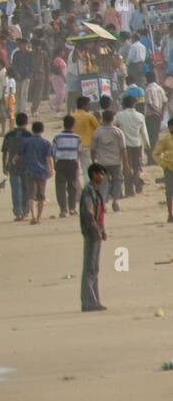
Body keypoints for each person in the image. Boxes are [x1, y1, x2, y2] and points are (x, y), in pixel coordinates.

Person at [79, 163, 109, 312]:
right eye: (100, 174)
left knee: (94, 268)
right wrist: (96, 229)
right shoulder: (88, 192)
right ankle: (89, 302)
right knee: (90, 268)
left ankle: (94, 300)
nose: (102, 177)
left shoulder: (95, 191)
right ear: (93, 175)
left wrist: (102, 230)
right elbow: (88, 213)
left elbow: (99, 214)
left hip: (96, 233)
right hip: (91, 234)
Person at [113, 94, 150, 199]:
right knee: (137, 166)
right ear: (134, 104)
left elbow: (113, 126)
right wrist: (147, 144)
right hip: (137, 145)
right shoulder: (140, 116)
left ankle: (129, 190)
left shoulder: (119, 116)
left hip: (124, 146)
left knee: (126, 167)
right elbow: (144, 132)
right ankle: (137, 182)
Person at [90, 109, 127, 208]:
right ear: (112, 119)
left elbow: (92, 149)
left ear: (102, 119)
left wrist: (94, 162)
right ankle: (115, 201)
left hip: (102, 162)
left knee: (103, 183)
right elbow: (123, 149)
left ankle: (103, 204)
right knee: (117, 181)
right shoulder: (118, 132)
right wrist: (125, 163)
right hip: (116, 162)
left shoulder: (97, 132)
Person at [20, 121, 54, 225]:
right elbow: (48, 157)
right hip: (42, 172)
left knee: (30, 196)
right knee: (41, 196)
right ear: (42, 130)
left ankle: (33, 216)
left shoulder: (26, 142)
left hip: (30, 171)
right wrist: (51, 169)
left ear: (32, 130)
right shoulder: (46, 143)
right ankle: (39, 217)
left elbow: (21, 154)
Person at [1, 112, 31, 221]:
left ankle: (17, 212)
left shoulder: (9, 135)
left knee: (15, 189)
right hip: (26, 165)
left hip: (12, 165)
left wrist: (4, 166)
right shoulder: (29, 135)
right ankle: (25, 212)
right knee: (26, 189)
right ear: (26, 122)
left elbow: (4, 152)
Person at [51, 115, 82, 218]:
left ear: (63, 124)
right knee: (73, 186)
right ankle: (72, 208)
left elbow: (53, 152)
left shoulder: (57, 137)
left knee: (60, 187)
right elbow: (79, 151)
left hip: (60, 163)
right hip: (72, 163)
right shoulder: (77, 137)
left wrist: (55, 163)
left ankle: (63, 210)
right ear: (73, 125)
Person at [153, 118, 173, 223]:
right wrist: (163, 164)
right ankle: (170, 214)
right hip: (169, 169)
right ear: (169, 127)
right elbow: (155, 154)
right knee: (169, 192)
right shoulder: (165, 139)